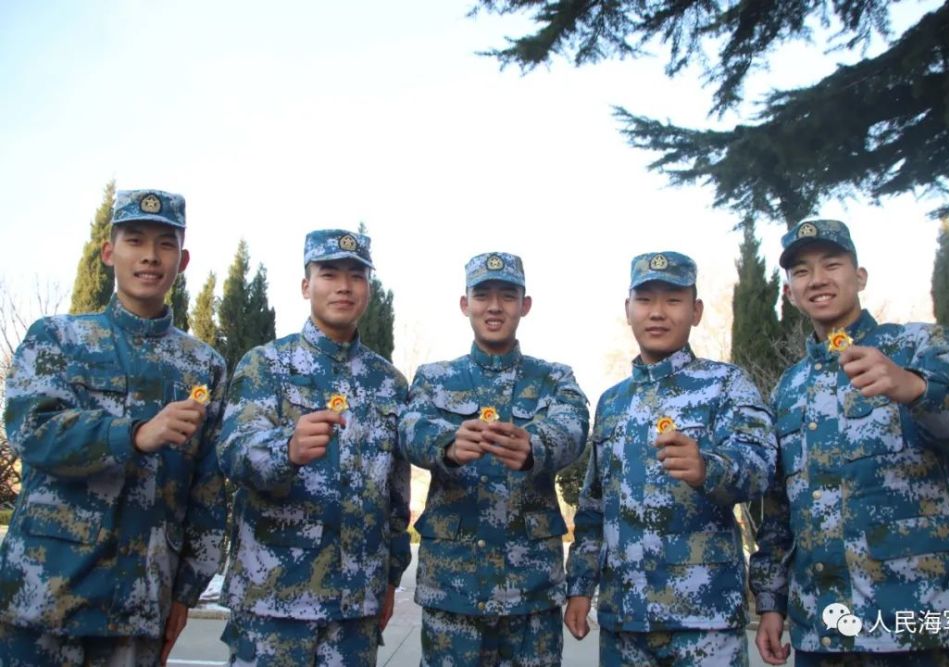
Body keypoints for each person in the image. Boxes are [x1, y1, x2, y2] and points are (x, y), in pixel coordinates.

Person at [751, 219, 949, 667]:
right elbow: (779, 509)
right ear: (789, 292)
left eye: (832, 264)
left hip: (920, 624)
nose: (817, 279)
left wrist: (916, 387)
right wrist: (771, 601)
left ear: (860, 277)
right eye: (802, 271)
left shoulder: (915, 345)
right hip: (825, 631)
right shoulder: (788, 387)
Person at [0, 189, 227, 666]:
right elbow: (31, 431)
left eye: (165, 244)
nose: (150, 256)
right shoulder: (57, 338)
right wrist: (133, 435)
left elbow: (207, 490)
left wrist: (185, 592)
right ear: (109, 252)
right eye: (135, 240)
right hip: (44, 597)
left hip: (139, 605)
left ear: (183, 260)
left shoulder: (203, 365)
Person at [564, 251, 777, 666]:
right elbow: (594, 505)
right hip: (624, 620)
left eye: (673, 300)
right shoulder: (612, 402)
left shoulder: (726, 384)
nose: (657, 312)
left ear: (696, 311)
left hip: (704, 619)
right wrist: (580, 586)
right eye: (645, 300)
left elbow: (762, 466)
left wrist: (709, 468)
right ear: (628, 309)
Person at [217, 229, 410, 666]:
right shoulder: (266, 365)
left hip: (354, 608)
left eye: (356, 276)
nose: (344, 286)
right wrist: (286, 448)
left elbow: (395, 495)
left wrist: (391, 578)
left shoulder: (389, 383)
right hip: (274, 600)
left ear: (368, 289)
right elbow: (232, 451)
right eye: (329, 274)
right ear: (306, 286)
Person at [400, 251, 589, 666]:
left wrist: (535, 446)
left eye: (507, 295)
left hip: (530, 590)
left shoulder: (554, 377)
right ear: (465, 303)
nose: (494, 306)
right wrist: (447, 445)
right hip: (453, 588)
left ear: (525, 305)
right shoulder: (434, 377)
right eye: (483, 295)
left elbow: (574, 426)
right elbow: (409, 427)